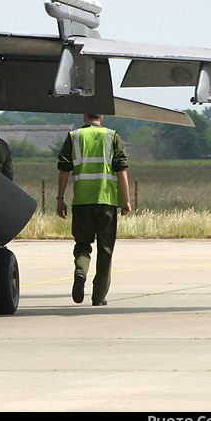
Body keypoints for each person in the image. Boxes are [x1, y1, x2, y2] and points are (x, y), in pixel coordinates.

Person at [55, 113, 131, 306]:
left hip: (82, 202)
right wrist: (126, 200)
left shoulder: (74, 137)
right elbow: (121, 170)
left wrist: (60, 199)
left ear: (84, 117)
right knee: (105, 250)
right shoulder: (112, 136)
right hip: (107, 201)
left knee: (82, 244)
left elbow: (64, 169)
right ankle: (98, 297)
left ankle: (80, 272)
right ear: (102, 117)